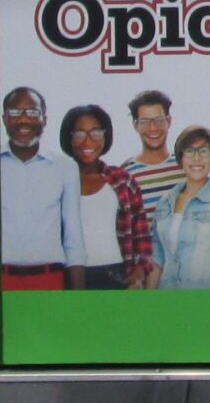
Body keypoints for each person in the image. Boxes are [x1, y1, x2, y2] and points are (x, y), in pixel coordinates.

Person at [57, 103, 154, 289]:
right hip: (70, 276)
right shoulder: (58, 181)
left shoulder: (122, 180)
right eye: (79, 133)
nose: (88, 141)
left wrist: (138, 273)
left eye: (96, 132)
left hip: (116, 275)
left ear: (105, 136)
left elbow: (142, 237)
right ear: (69, 138)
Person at [0, 86, 80, 290]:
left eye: (32, 112)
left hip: (49, 278)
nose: (23, 119)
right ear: (4, 119)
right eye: (15, 112)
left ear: (44, 119)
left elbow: (73, 236)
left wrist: (79, 297)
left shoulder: (65, 166)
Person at [154, 126, 210, 290]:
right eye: (190, 151)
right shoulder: (165, 202)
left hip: (208, 300)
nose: (196, 158)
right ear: (181, 158)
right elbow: (156, 261)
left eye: (203, 151)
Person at [123, 90, 185, 215]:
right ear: (135, 125)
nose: (153, 127)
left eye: (159, 120)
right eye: (145, 121)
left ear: (169, 121)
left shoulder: (185, 167)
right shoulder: (125, 175)